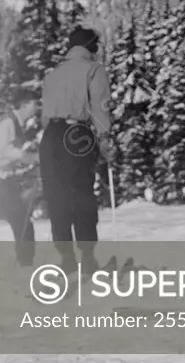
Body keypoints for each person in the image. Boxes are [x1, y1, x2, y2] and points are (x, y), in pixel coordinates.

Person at [40, 27, 112, 273]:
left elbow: (44, 114)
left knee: (56, 195)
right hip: (77, 134)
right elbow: (100, 107)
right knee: (81, 193)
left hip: (50, 137)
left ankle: (66, 256)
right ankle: (88, 257)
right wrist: (104, 139)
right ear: (90, 46)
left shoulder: (53, 74)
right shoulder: (94, 69)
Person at [0, 95, 40, 265]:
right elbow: (3, 149)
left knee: (21, 221)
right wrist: (28, 157)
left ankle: (25, 260)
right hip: (3, 181)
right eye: (34, 103)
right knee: (21, 221)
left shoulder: (16, 124)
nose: (37, 107)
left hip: (7, 180)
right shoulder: (8, 122)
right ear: (23, 104)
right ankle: (25, 262)